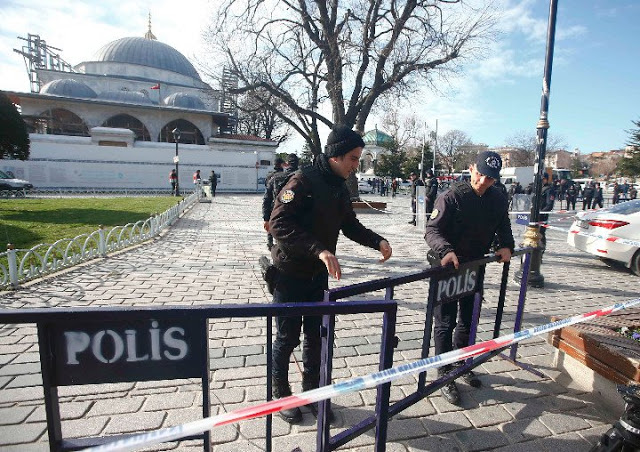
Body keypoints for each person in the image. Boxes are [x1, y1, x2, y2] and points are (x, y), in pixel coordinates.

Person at [268, 125, 392, 423]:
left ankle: (312, 392)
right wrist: (319, 250)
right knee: (286, 337)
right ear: (335, 155)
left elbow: (349, 224)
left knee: (316, 336)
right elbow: (278, 224)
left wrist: (377, 241)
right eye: (352, 158)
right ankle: (281, 395)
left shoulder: (339, 185)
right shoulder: (302, 180)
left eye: (358, 159)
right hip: (290, 272)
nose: (355, 165)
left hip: (317, 277)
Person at [424, 151, 514, 406]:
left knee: (468, 318)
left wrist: (506, 244)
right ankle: (443, 372)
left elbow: (502, 222)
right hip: (448, 267)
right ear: (472, 168)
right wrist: (445, 250)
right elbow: (432, 230)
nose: (484, 182)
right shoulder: (451, 196)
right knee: (445, 321)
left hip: (475, 266)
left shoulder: (497, 197)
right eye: (481, 175)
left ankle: (461, 362)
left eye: (491, 179)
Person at [262, 153, 299, 250]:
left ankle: (273, 245)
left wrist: (266, 218)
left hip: (276, 210)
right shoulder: (303, 177)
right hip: (296, 214)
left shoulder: (274, 178)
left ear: (287, 163)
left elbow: (266, 199)